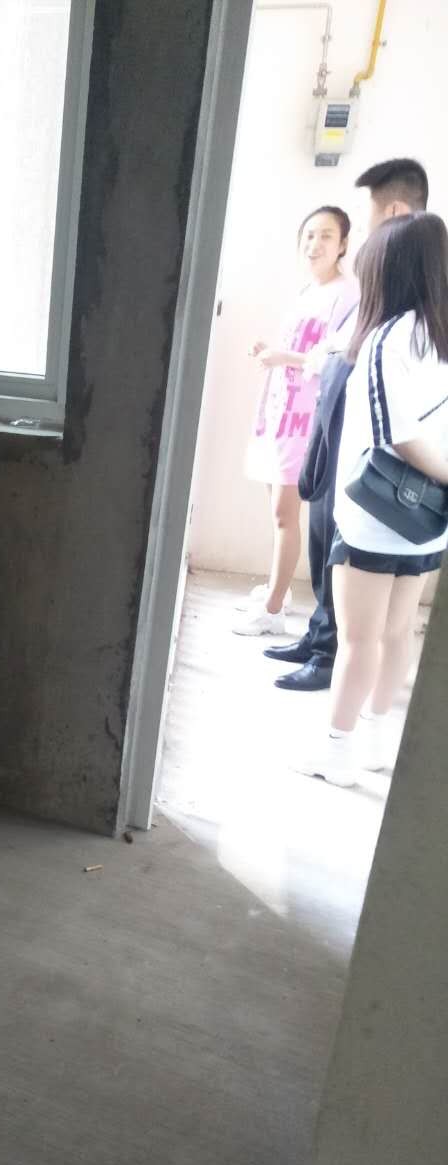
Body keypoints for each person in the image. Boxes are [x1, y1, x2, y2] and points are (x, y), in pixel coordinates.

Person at [295, 212, 448, 787]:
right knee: (398, 632)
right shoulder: (439, 332)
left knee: (359, 641)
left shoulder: (389, 339)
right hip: (430, 518)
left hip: (379, 515)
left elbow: (395, 435)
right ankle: (378, 741)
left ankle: (337, 754)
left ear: (391, 270)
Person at [266, 158, 430, 689]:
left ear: (395, 211)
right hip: (335, 418)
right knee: (321, 532)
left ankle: (329, 655)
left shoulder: (408, 286)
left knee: (343, 548)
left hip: (366, 444)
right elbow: (342, 347)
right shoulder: (385, 281)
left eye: (367, 218)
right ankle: (318, 637)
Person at [234, 207, 359, 637]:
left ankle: (272, 611)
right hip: (280, 410)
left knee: (285, 514)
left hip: (305, 420)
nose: (314, 244)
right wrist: (270, 351)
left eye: (326, 236)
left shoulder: (348, 294)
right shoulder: (309, 290)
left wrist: (282, 357)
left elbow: (337, 358)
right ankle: (279, 588)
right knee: (277, 510)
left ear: (343, 244)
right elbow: (301, 348)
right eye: (308, 236)